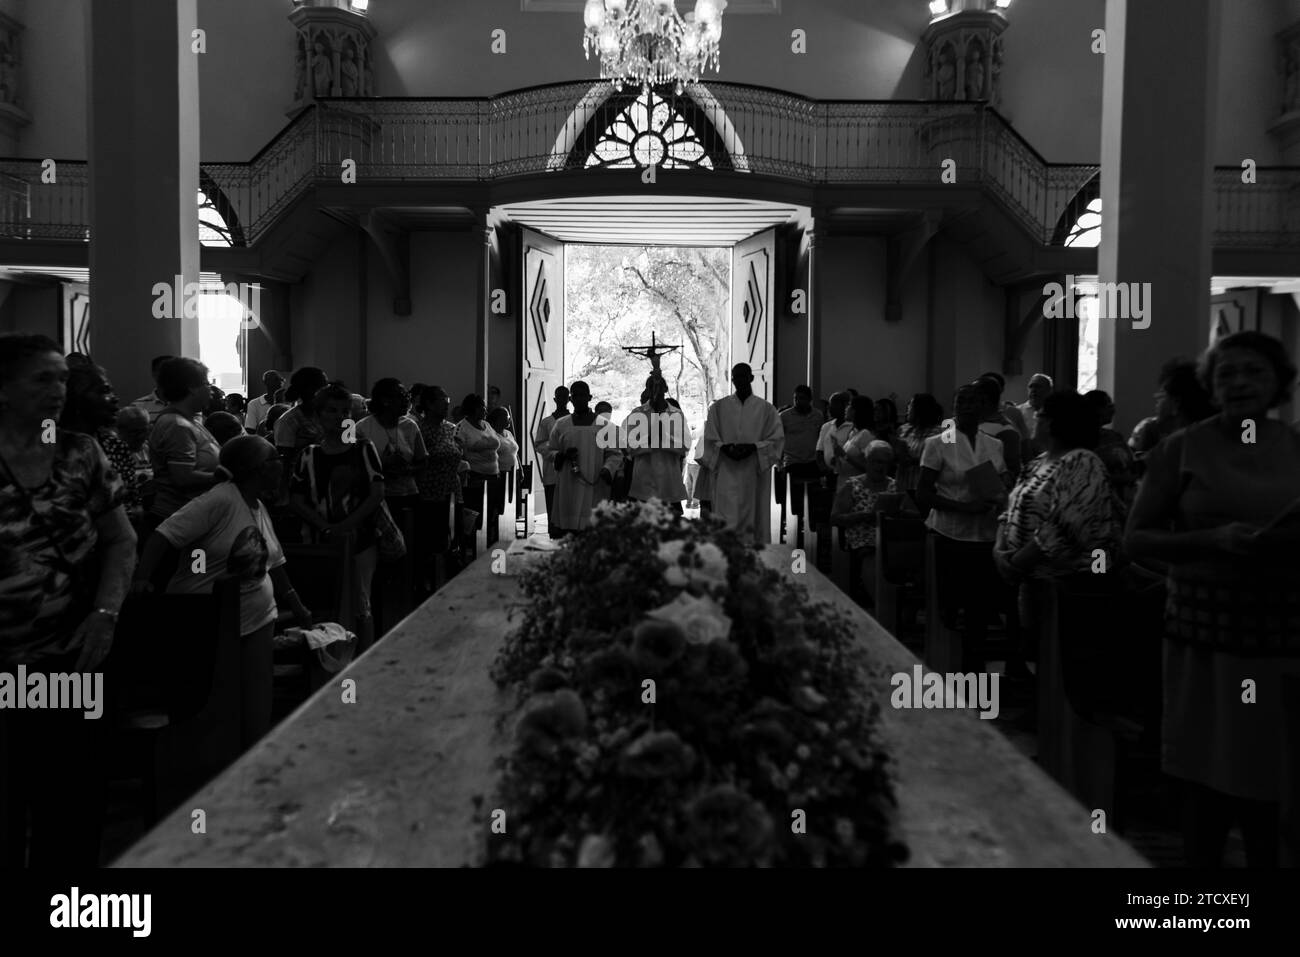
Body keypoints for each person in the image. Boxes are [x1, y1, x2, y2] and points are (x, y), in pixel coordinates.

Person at [1125, 331, 1300, 868]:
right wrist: (1210, 540)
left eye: (1254, 372)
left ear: (1279, 384)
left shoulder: (1295, 447)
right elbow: (1136, 539)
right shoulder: (1181, 449)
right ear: (1210, 386)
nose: (1240, 383)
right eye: (1227, 374)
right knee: (1206, 775)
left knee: (1269, 778)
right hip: (1205, 643)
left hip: (1278, 641)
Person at [0, 334, 136, 868]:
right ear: (4, 391)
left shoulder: (81, 452)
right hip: (5, 665)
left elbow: (121, 540)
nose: (57, 390)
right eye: (42, 379)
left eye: (61, 378)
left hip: (73, 658)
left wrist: (106, 615)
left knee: (73, 800)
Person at [133, 435, 311, 754]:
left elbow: (274, 561)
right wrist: (143, 578)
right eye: (274, 460)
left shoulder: (256, 503)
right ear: (255, 469)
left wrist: (297, 606)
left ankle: (250, 766)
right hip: (205, 619)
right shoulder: (220, 499)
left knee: (256, 706)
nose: (280, 465)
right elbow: (164, 535)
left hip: (257, 617)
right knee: (215, 708)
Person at [994, 391, 1124, 681]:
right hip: (1029, 579)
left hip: (1069, 585)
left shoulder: (1082, 462)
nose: (1034, 419)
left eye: (1039, 415)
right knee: (1038, 660)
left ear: (1052, 423)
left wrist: (1014, 563)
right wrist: (999, 550)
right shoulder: (1037, 462)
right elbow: (1009, 511)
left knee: (1063, 671)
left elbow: (1065, 528)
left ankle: (1057, 719)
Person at [916, 383, 1008, 671]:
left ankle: (974, 670)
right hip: (949, 534)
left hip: (984, 534)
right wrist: (963, 507)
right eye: (962, 401)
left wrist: (1000, 496)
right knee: (950, 608)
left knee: (979, 609)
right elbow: (924, 493)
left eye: (974, 401)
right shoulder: (938, 443)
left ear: (983, 407)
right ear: (954, 408)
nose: (968, 406)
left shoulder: (994, 444)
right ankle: (945, 665)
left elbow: (1003, 482)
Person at [289, 385, 386, 654]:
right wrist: (326, 527)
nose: (339, 416)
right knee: (324, 599)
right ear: (319, 415)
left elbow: (377, 492)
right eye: (332, 411)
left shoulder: (362, 449)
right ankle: (329, 658)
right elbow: (296, 499)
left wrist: (346, 525)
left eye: (345, 411)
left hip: (359, 538)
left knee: (360, 601)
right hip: (319, 539)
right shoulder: (308, 454)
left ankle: (363, 659)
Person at [702, 363, 784, 545]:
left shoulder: (766, 409)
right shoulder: (718, 408)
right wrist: (724, 448)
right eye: (735, 377)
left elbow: (777, 440)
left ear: (751, 377)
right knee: (725, 516)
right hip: (726, 470)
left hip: (753, 471)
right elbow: (709, 439)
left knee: (754, 517)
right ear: (732, 379)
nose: (738, 380)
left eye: (742, 376)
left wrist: (753, 447)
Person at [146, 358, 222, 541]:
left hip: (192, 518)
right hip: (178, 522)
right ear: (191, 388)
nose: (210, 389)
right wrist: (226, 477)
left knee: (199, 568)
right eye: (206, 383)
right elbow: (183, 477)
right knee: (196, 568)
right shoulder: (177, 425)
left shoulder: (191, 421)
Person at [59, 363, 143, 518]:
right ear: (76, 397)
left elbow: (132, 497)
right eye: (105, 391)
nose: (115, 398)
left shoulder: (115, 445)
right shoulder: (50, 445)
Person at [548, 381, 623, 536]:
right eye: (576, 395)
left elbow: (614, 453)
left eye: (583, 395)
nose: (579, 399)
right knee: (568, 531)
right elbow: (551, 450)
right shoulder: (561, 425)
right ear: (571, 399)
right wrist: (561, 455)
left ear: (589, 397)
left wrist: (607, 469)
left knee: (592, 531)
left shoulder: (605, 426)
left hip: (595, 483)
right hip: (568, 484)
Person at [830, 441, 897, 609]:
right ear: (867, 462)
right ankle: (882, 605)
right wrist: (862, 516)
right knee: (871, 554)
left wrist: (895, 512)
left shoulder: (893, 485)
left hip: (889, 536)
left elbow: (913, 514)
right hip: (861, 536)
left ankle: (898, 606)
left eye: (884, 462)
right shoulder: (852, 485)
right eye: (876, 461)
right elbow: (835, 518)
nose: (880, 466)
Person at [415, 386, 464, 585]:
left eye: (447, 402)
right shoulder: (419, 429)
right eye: (442, 403)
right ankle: (429, 582)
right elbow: (418, 460)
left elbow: (457, 452)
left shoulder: (450, 428)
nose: (446, 406)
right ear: (429, 404)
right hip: (429, 492)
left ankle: (451, 580)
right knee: (433, 543)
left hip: (452, 488)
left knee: (453, 538)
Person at [357, 378, 427, 514]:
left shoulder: (410, 426)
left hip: (408, 494)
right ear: (385, 401)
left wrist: (408, 469)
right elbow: (354, 467)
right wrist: (382, 464)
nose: (407, 400)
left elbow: (423, 461)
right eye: (402, 396)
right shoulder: (362, 428)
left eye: (408, 396)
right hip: (375, 498)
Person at [622, 373, 690, 511]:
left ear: (665, 388)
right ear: (647, 390)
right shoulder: (637, 413)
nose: (656, 391)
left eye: (659, 387)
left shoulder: (676, 414)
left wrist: (663, 437)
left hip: (669, 482)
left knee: (670, 529)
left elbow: (685, 446)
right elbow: (628, 447)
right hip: (643, 483)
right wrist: (650, 438)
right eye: (651, 387)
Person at [1128, 360, 1216, 461]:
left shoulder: (1174, 448)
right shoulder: (1149, 429)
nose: (1156, 398)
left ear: (1176, 403)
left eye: (1161, 395)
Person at [777, 385, 826, 521]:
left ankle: (811, 527)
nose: (798, 401)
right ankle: (794, 526)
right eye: (795, 398)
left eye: (802, 398)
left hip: (812, 461)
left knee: (813, 499)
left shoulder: (818, 415)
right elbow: (779, 441)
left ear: (809, 399)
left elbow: (820, 439)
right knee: (793, 500)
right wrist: (779, 464)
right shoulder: (785, 416)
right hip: (792, 462)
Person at [455, 393, 500, 541]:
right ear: (474, 408)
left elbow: (495, 442)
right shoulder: (462, 427)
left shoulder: (486, 424)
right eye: (483, 407)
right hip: (475, 477)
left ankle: (489, 539)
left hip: (493, 474)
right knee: (477, 511)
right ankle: (474, 542)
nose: (486, 410)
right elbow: (459, 452)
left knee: (492, 510)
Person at [273, 367, 329, 471]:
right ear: (310, 390)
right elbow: (285, 462)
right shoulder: (288, 420)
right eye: (324, 386)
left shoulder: (329, 414)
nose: (328, 390)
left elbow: (349, 442)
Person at [533, 385, 570, 538]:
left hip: (570, 471)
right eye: (559, 396)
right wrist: (556, 453)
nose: (562, 399)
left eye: (565, 396)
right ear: (555, 399)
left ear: (569, 399)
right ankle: (554, 534)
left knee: (569, 506)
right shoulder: (546, 422)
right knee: (553, 505)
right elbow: (540, 444)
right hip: (552, 470)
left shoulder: (575, 420)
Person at [895, 393, 945, 499]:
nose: (908, 408)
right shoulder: (904, 430)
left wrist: (909, 457)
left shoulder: (938, 432)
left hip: (924, 487)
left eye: (911, 405)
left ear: (920, 410)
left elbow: (937, 459)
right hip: (903, 483)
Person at [975, 376, 1023, 478]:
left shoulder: (1006, 431)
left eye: (972, 398)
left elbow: (1012, 474)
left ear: (984, 400)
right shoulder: (969, 423)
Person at [114, 405, 154, 524]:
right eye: (135, 432)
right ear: (120, 431)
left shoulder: (151, 449)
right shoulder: (113, 452)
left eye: (144, 431)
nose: (141, 436)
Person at [486, 406, 519, 526]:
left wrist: (519, 469)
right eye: (507, 417)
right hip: (501, 473)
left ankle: (510, 526)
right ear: (498, 419)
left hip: (513, 472)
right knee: (500, 503)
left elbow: (515, 452)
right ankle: (498, 528)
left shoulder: (509, 433)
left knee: (512, 502)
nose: (509, 420)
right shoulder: (492, 434)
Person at [836, 395, 878, 478]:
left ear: (857, 411)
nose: (846, 408)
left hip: (857, 484)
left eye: (849, 406)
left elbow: (869, 467)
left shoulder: (865, 434)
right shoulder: (853, 433)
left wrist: (844, 455)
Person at [131, 354, 174, 424]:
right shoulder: (138, 406)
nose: (169, 375)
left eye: (173, 371)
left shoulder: (186, 405)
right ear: (154, 374)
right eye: (164, 371)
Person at [1015, 373, 1053, 451]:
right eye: (1031, 386)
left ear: (1049, 390)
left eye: (1038, 386)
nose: (1033, 390)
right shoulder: (1017, 411)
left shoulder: (1056, 412)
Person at [244, 370, 284, 434]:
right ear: (265, 382)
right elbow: (250, 430)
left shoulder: (289, 403)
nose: (279, 382)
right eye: (275, 379)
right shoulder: (254, 404)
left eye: (281, 379)